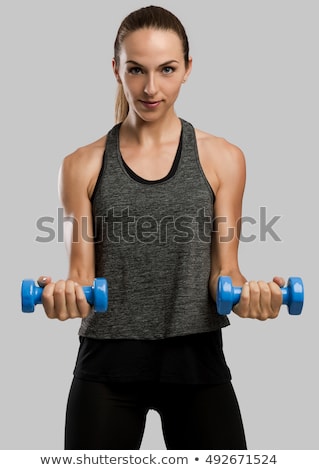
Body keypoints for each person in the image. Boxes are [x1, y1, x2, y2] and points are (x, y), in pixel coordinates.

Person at [38, 5, 284, 450]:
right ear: (116, 69)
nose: (151, 88)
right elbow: (81, 277)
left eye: (167, 69)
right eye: (136, 70)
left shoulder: (223, 158)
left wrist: (251, 299)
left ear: (188, 69)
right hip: (106, 366)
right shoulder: (81, 165)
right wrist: (64, 297)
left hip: (197, 362)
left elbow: (224, 274)